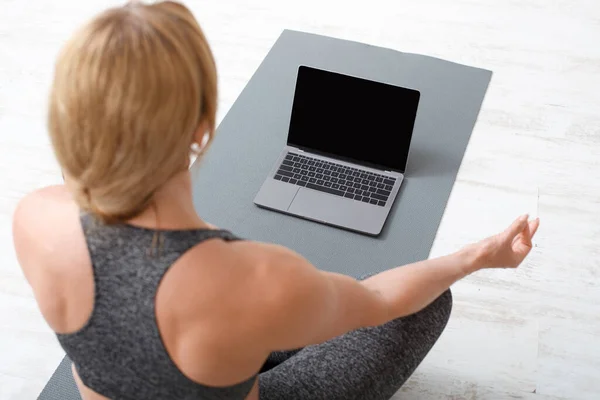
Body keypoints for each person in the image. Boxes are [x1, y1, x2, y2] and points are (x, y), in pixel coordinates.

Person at [12, 2, 540, 400]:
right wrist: (476, 256)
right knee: (426, 300)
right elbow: (381, 303)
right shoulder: (255, 278)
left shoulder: (35, 219)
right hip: (237, 319)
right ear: (200, 126)